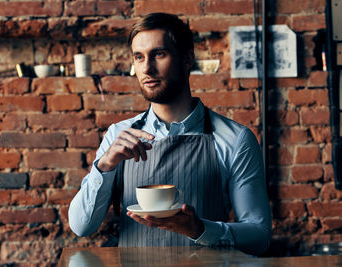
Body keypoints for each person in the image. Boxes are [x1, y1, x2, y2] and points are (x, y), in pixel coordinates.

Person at [68, 12, 272, 256]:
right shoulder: (118, 135)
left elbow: (259, 236)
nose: (147, 68)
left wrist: (200, 229)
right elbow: (81, 227)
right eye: (139, 57)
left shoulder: (235, 139)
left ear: (187, 59)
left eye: (159, 54)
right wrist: (105, 165)